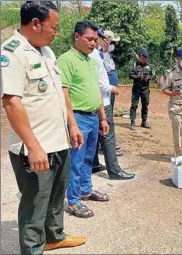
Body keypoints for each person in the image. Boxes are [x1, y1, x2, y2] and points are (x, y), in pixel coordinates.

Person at [1, 2, 85, 253]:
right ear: (36, 24)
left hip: (58, 141)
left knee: (56, 198)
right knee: (34, 207)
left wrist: (72, 124)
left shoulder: (46, 52)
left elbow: (59, 94)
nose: (56, 33)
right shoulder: (11, 53)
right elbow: (12, 104)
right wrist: (34, 147)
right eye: (54, 27)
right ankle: (33, 249)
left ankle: (54, 237)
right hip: (35, 148)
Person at [57, 20, 110, 218]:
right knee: (75, 161)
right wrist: (72, 124)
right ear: (77, 36)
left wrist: (103, 118)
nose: (93, 44)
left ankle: (85, 190)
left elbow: (95, 90)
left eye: (95, 40)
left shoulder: (90, 61)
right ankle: (73, 201)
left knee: (89, 158)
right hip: (77, 117)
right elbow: (64, 94)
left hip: (93, 117)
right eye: (89, 39)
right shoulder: (66, 60)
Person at [89, 29, 135, 180]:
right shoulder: (95, 56)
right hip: (103, 100)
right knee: (107, 134)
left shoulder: (98, 55)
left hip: (101, 99)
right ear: (101, 40)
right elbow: (99, 82)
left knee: (96, 132)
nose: (111, 44)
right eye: (110, 41)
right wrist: (111, 88)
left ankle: (94, 163)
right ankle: (114, 171)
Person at [129, 49, 155, 130]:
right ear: (139, 57)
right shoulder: (134, 65)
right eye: (142, 58)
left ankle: (144, 121)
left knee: (145, 105)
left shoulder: (149, 66)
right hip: (136, 88)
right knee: (134, 105)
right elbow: (130, 75)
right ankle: (132, 122)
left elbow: (154, 76)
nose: (144, 60)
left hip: (145, 88)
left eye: (145, 58)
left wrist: (148, 77)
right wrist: (138, 76)